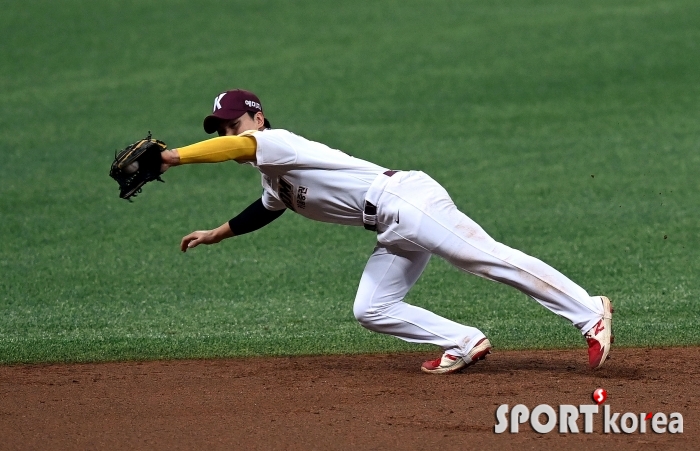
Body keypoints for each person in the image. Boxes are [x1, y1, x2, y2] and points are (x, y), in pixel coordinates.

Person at [159, 89, 614, 374]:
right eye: (219, 128)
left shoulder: (277, 144)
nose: (226, 133)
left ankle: (589, 311)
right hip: (391, 226)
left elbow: (237, 147)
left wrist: (172, 157)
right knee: (371, 308)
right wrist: (216, 233)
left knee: (485, 258)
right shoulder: (272, 175)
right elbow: (264, 209)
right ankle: (463, 340)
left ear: (257, 120)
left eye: (232, 124)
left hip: (408, 201)